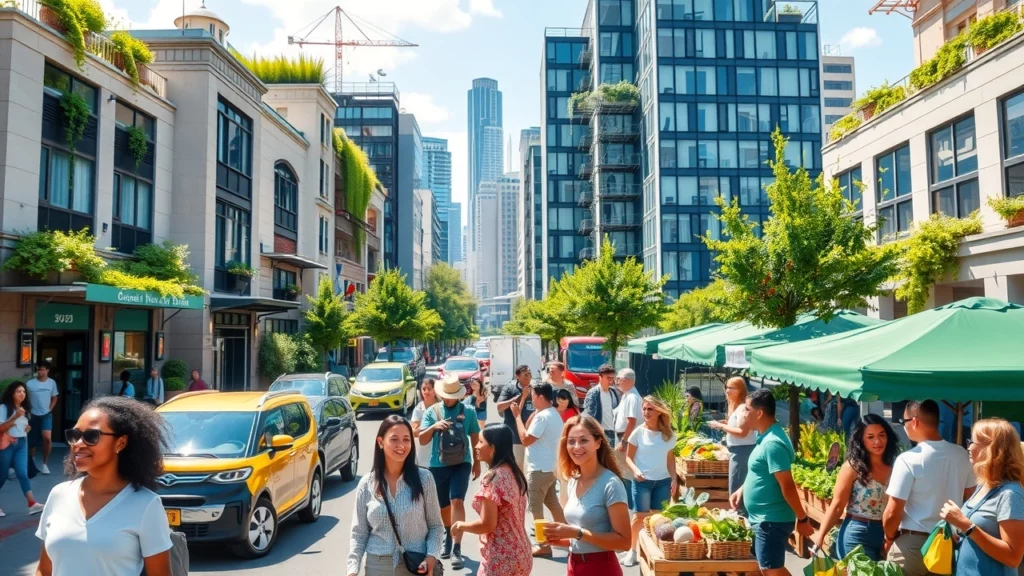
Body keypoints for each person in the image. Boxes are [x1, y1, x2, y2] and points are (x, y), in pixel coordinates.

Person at [35, 396, 172, 576]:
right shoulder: (59, 494)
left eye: (91, 436)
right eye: (74, 435)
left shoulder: (146, 504)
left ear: (121, 442)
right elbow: (44, 570)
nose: (78, 444)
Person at [882, 400, 976, 576]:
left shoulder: (908, 459)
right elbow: (971, 500)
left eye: (904, 422)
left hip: (912, 544)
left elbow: (893, 511)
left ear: (915, 422)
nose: (904, 427)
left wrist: (888, 538)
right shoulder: (962, 454)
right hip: (947, 543)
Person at [729, 389, 813, 576]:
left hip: (771, 520)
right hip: (764, 518)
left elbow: (787, 485)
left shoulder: (773, 443)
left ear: (759, 413)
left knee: (771, 570)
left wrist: (803, 518)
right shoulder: (765, 436)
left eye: (747, 410)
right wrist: (742, 490)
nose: (743, 413)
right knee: (766, 568)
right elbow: (762, 471)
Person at [348, 416, 444, 576]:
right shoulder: (366, 484)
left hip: (415, 566)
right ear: (380, 442)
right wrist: (352, 570)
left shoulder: (425, 479)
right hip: (376, 567)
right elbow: (359, 532)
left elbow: (436, 527)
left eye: (407, 439)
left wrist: (431, 557)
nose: (401, 445)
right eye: (394, 439)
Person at [542, 414, 631, 576]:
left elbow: (624, 542)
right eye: (571, 441)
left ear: (598, 442)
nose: (576, 447)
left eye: (583, 440)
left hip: (601, 568)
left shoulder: (611, 484)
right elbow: (583, 538)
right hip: (574, 565)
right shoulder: (573, 481)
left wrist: (576, 533)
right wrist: (561, 538)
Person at [940, 418, 1024, 576]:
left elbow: (1013, 558)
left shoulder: (1010, 494)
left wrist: (966, 526)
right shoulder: (983, 485)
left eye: (972, 441)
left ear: (991, 449)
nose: (969, 447)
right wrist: (957, 533)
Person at [812, 414, 899, 561]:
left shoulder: (896, 466)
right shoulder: (852, 467)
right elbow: (837, 506)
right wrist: (820, 537)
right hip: (857, 533)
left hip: (888, 535)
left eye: (881, 435)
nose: (877, 441)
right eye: (870, 437)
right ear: (861, 440)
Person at [450, 424, 532, 576]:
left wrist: (461, 525)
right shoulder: (515, 472)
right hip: (523, 553)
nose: (476, 446)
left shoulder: (492, 477)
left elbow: (487, 525)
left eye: (481, 442)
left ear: (493, 448)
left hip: (501, 557)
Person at [418, 374, 482, 569]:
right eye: (446, 395)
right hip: (438, 465)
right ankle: (448, 532)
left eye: (452, 395)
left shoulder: (468, 411)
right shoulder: (432, 411)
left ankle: (456, 546)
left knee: (457, 501)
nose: (448, 398)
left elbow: (475, 438)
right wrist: (434, 427)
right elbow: (422, 439)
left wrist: (477, 463)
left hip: (462, 463)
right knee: (443, 505)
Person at [510, 382, 566, 557]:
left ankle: (543, 545)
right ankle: (568, 537)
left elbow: (525, 438)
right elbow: (529, 429)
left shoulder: (543, 417)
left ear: (541, 397)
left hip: (539, 470)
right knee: (553, 504)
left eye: (533, 396)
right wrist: (530, 411)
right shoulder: (551, 414)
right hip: (549, 469)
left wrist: (517, 417)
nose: (532, 399)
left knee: (535, 508)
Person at [621, 396, 678, 567]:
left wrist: (674, 478)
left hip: (663, 482)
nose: (646, 412)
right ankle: (632, 551)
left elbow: (670, 459)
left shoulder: (669, 434)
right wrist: (636, 470)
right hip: (642, 481)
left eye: (650, 409)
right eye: (644, 409)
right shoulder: (638, 432)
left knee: (658, 518)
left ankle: (652, 550)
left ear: (659, 412)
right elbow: (628, 458)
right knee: (639, 517)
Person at [708, 377, 757, 516]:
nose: (727, 391)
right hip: (738, 451)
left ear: (740, 390)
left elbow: (742, 432)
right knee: (736, 490)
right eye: (727, 387)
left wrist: (721, 426)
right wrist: (724, 423)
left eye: (732, 388)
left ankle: (742, 521)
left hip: (742, 452)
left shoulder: (742, 407)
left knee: (737, 492)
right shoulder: (736, 407)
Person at [0, 381, 44, 516]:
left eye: (24, 391)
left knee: (22, 474)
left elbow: (23, 425)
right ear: (12, 393)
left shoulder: (25, 408)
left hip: (22, 442)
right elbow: (1, 428)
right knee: (2, 475)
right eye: (19, 391)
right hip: (7, 444)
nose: (22, 394)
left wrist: (28, 428)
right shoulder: (4, 408)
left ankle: (32, 504)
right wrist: (15, 416)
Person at [496, 365, 535, 472]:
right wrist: (520, 397)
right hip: (515, 436)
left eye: (530, 375)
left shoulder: (535, 390)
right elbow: (500, 407)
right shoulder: (509, 389)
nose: (529, 377)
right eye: (526, 375)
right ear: (517, 376)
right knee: (517, 466)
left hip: (532, 436)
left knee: (530, 467)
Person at [613, 368, 641, 513]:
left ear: (627, 380)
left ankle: (629, 509)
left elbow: (631, 421)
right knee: (624, 474)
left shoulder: (631, 397)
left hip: (627, 438)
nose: (617, 382)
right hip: (625, 437)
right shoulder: (627, 395)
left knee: (626, 475)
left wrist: (623, 442)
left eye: (619, 379)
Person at [26, 361, 58, 475]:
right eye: (39, 369)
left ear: (47, 370)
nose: (40, 372)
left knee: (47, 438)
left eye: (43, 370)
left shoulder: (51, 383)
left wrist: (50, 408)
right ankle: (33, 462)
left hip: (46, 415)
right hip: (33, 414)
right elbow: (25, 399)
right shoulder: (30, 384)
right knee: (32, 441)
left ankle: (44, 464)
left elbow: (55, 397)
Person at [582, 364, 620, 447]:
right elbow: (588, 415)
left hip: (613, 432)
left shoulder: (613, 392)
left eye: (612, 378)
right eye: (608, 378)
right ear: (600, 377)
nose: (611, 381)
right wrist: (597, 431)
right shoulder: (594, 393)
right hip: (600, 432)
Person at [411, 378, 440, 467]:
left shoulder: (441, 407)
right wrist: (430, 426)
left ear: (435, 390)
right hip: (422, 451)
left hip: (439, 450)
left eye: (429, 389)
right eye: (424, 389)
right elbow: (414, 432)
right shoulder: (418, 409)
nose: (426, 392)